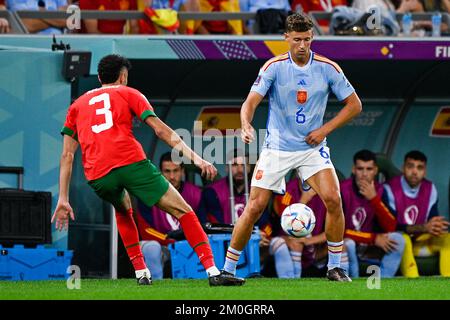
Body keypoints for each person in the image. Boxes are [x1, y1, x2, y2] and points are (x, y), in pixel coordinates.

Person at [51, 54, 244, 286]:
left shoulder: (77, 105)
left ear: (100, 77)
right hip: (131, 163)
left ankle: (141, 273)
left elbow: (67, 155)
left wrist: (63, 198)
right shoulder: (130, 93)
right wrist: (198, 159)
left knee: (123, 210)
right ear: (123, 76)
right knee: (184, 211)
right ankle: (214, 272)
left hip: (98, 175)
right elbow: (161, 131)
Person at [222, 12, 362, 282]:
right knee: (254, 208)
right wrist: (245, 123)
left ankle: (334, 267)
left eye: (307, 40)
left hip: (312, 149)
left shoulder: (328, 68)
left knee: (334, 199)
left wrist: (324, 129)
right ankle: (227, 269)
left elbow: (355, 105)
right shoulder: (273, 67)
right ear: (286, 38)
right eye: (297, 39)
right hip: (277, 148)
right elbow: (250, 102)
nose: (302, 45)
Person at [135, 151, 202, 279]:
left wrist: (184, 241)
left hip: (189, 244)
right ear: (160, 172)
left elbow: (203, 224)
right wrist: (171, 240)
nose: (172, 176)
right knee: (151, 248)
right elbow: (146, 231)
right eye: (167, 171)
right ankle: (156, 290)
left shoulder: (196, 194)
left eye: (176, 171)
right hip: (161, 245)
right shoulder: (148, 193)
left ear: (182, 171)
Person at [384, 150, 450, 277]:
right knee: (402, 238)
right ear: (403, 168)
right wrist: (423, 227)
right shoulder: (390, 188)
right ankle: (413, 279)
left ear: (425, 171)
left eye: (419, 168)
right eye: (410, 166)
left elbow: (432, 220)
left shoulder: (430, 188)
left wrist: (436, 225)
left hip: (421, 242)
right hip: (400, 244)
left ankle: (447, 280)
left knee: (447, 237)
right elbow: (391, 227)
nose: (415, 172)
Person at [341, 150, 405, 278]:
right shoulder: (342, 190)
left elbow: (391, 227)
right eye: (360, 169)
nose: (364, 174)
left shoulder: (382, 190)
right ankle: (351, 283)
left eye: (369, 169)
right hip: (349, 243)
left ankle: (382, 283)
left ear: (375, 170)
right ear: (354, 169)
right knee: (347, 243)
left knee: (398, 239)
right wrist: (373, 238)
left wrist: (374, 199)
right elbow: (337, 231)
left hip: (371, 247)